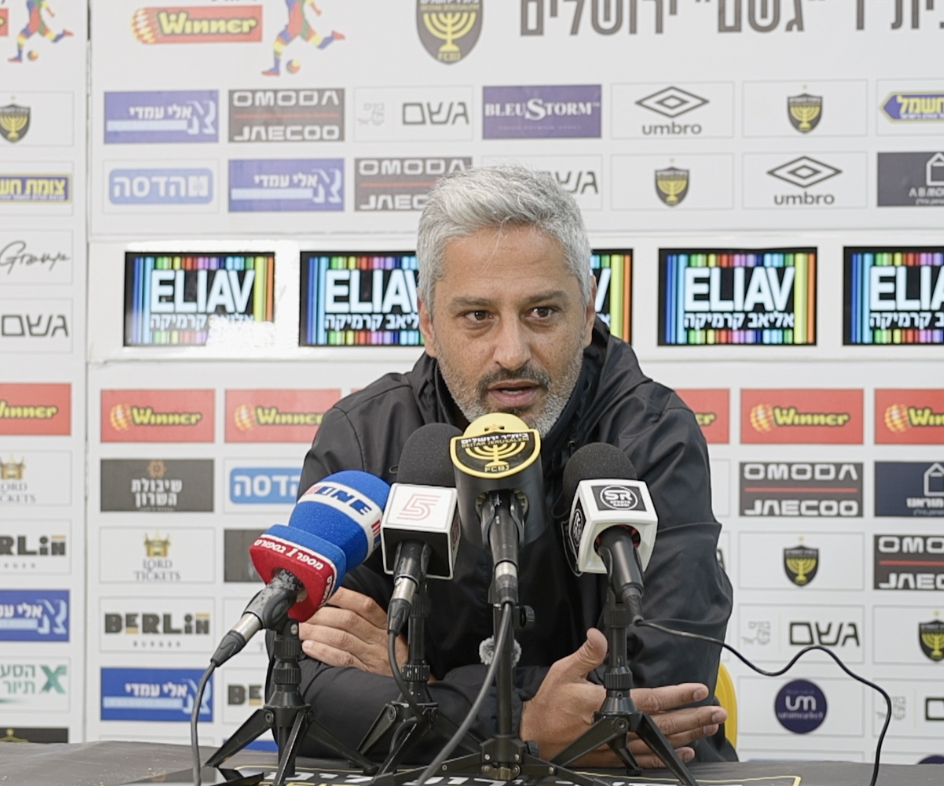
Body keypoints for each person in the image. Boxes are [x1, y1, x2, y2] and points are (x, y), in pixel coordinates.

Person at [295, 166, 735, 768]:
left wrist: (420, 685)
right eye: (477, 315)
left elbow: (661, 687)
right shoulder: (364, 435)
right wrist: (524, 724)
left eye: (542, 312)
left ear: (586, 311)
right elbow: (305, 695)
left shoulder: (653, 434)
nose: (512, 353)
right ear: (428, 324)